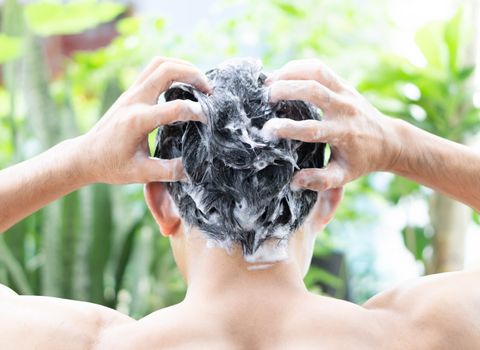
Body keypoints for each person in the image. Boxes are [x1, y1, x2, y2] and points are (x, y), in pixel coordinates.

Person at [0, 57, 479, 350]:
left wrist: (79, 159)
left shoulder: (76, 343)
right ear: (328, 199)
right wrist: (399, 145)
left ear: (160, 204)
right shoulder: (422, 337)